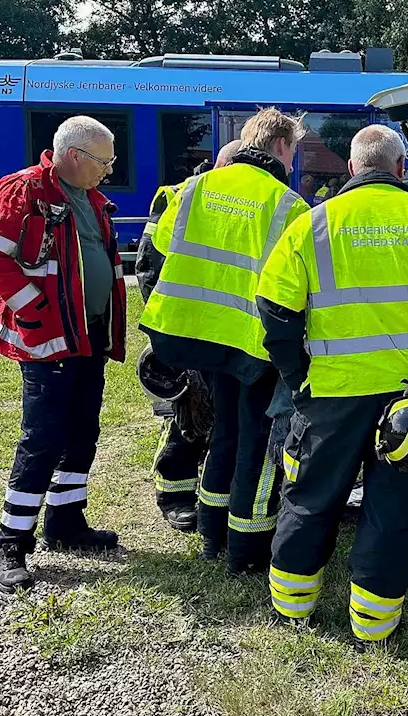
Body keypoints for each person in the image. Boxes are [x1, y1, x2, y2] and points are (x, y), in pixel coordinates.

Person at [256, 124, 408, 645]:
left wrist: (299, 377)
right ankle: (373, 625)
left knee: (312, 498)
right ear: (400, 169)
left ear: (350, 168)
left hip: (332, 394)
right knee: (392, 508)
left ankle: (293, 609)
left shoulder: (310, 226)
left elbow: (274, 312)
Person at [138, 109, 310, 575]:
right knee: (254, 442)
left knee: (223, 435)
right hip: (251, 344)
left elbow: (157, 255)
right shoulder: (288, 205)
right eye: (293, 150)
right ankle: (246, 550)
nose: (293, 162)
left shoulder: (192, 190)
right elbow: (292, 291)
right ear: (278, 146)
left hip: (194, 335)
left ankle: (211, 535)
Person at [0, 116, 128, 593]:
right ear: (76, 156)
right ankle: (11, 541)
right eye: (104, 161)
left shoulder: (88, 197)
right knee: (43, 437)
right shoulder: (22, 190)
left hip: (87, 336)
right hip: (49, 338)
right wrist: (32, 307)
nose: (109, 170)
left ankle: (65, 520)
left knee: (82, 431)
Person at [136, 139, 243, 533]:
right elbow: (149, 267)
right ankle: (175, 494)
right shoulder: (180, 200)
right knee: (187, 416)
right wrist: (170, 334)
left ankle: (210, 488)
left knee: (220, 416)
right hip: (187, 332)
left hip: (228, 332)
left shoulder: (242, 208)